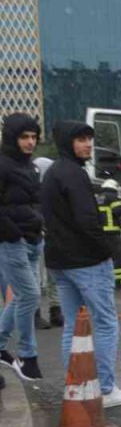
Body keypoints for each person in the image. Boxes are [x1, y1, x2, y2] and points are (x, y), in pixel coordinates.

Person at [41, 121, 121, 407]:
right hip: (87, 261)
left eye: (89, 139)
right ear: (68, 142)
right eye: (81, 139)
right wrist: (105, 250)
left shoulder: (52, 174)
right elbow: (87, 220)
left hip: (59, 260)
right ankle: (106, 389)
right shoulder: (75, 174)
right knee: (105, 322)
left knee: (72, 324)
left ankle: (76, 385)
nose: (88, 145)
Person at [0, 114, 46, 382]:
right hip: (12, 241)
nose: (30, 142)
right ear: (12, 138)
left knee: (20, 297)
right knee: (30, 295)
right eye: (24, 137)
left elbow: (36, 200)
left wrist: (39, 227)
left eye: (33, 137)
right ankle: (28, 356)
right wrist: (13, 233)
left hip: (32, 239)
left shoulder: (31, 167)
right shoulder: (3, 165)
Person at [33, 156, 61, 329]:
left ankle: (55, 312)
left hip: (50, 237)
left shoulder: (51, 192)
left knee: (52, 275)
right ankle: (36, 314)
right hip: (36, 238)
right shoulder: (33, 193)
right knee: (36, 276)